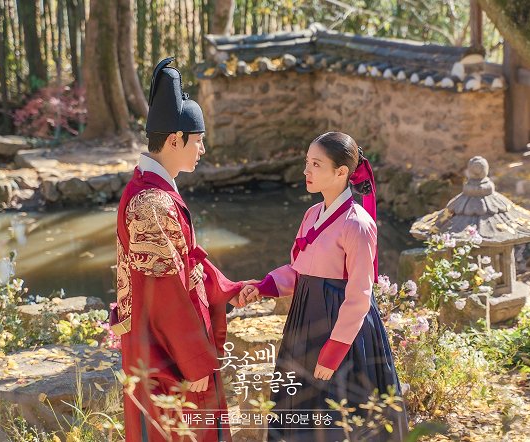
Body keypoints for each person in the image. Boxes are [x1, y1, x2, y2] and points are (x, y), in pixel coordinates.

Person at [239, 132, 408, 441]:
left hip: (344, 330)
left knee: (343, 413)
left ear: (341, 172)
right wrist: (264, 286)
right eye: (307, 163)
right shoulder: (312, 214)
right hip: (305, 323)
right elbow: (298, 271)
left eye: (316, 164)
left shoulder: (358, 224)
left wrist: (335, 351)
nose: (307, 171)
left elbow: (359, 293)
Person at [110, 57, 244, 442]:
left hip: (166, 336)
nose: (202, 149)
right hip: (165, 347)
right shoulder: (151, 203)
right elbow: (166, 290)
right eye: (198, 140)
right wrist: (194, 360)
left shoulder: (152, 191)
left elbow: (189, 263)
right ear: (175, 140)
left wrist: (231, 290)